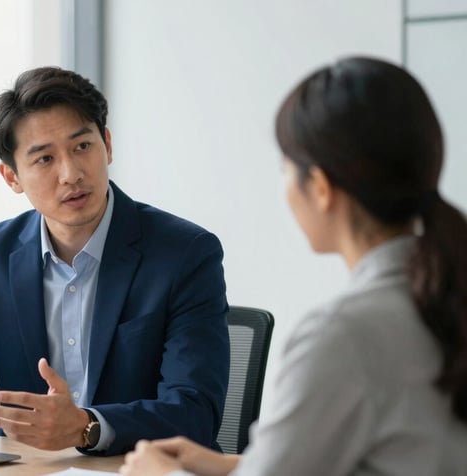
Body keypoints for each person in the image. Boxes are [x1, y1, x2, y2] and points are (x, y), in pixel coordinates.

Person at [120, 57, 467, 475]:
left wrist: (161, 475)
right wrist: (232, 465)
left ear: (320, 188)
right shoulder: (442, 293)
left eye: (286, 170)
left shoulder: (344, 334)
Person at [0, 66, 230, 456]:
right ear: (12, 177)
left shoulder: (184, 253)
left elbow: (195, 411)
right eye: (45, 159)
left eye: (82, 146)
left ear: (108, 145)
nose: (71, 173)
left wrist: (86, 426)